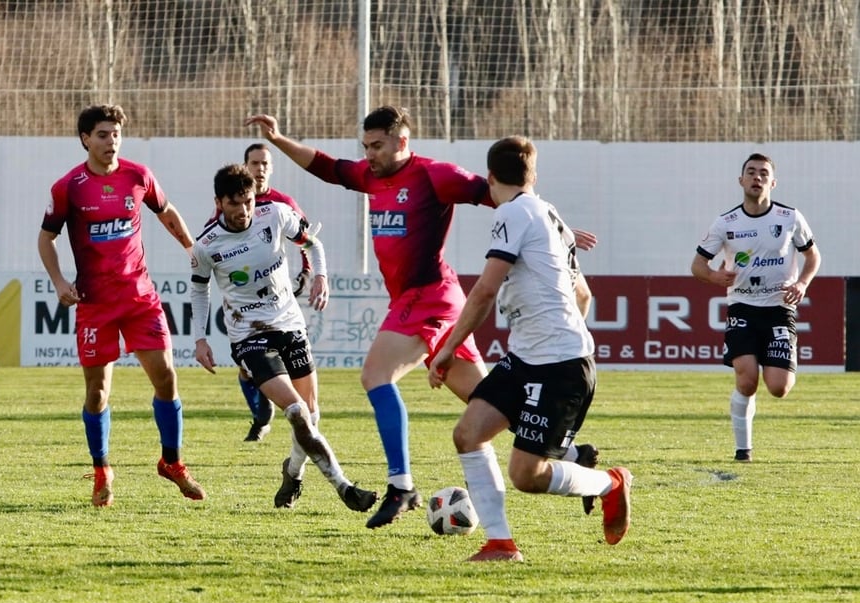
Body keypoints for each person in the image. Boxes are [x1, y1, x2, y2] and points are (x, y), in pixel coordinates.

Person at [245, 106, 599, 529]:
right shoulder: (372, 176)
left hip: (429, 295)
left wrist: (559, 228)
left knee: (375, 375)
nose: (370, 155)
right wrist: (280, 139)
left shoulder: (434, 174)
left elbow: (501, 192)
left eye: (377, 146)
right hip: (426, 300)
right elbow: (328, 168)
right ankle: (577, 458)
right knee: (484, 402)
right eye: (366, 147)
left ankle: (401, 486)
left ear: (402, 142)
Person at [428, 136, 632, 562]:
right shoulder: (549, 215)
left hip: (559, 366)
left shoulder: (513, 213)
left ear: (489, 178)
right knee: (468, 434)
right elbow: (583, 295)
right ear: (533, 176)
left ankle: (610, 483)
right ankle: (501, 544)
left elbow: (484, 291)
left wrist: (448, 350)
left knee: (528, 475)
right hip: (528, 359)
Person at [37, 104, 206, 507]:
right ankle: (102, 471)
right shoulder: (68, 187)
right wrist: (60, 281)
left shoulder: (138, 176)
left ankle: (172, 463)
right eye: (102, 135)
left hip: (139, 298)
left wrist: (190, 248)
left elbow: (166, 212)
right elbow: (46, 239)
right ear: (85, 139)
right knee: (97, 393)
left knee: (166, 379)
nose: (111, 142)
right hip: (94, 303)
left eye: (115, 134)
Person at [192, 164, 378, 513]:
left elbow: (313, 244)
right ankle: (344, 486)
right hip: (248, 335)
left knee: (311, 415)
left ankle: (292, 473)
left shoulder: (275, 215)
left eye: (247, 201)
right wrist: (200, 338)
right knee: (295, 410)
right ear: (218, 202)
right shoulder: (206, 244)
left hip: (290, 325)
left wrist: (320, 276)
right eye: (234, 203)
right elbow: (199, 290)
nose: (243, 210)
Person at [691, 153, 821, 463]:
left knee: (779, 388)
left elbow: (813, 257)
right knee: (747, 380)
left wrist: (802, 283)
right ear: (741, 180)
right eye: (751, 172)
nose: (756, 177)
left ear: (773, 182)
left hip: (778, 308)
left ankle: (782, 362)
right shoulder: (726, 222)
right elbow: (697, 265)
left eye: (763, 173)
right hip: (743, 307)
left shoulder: (789, 218)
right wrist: (713, 276)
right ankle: (742, 450)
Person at [207, 143, 318, 442]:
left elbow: (307, 240)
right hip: (246, 311)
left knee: (306, 402)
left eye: (265, 163)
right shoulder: (230, 206)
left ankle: (287, 429)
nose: (260, 169)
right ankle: (261, 413)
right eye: (255, 163)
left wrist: (308, 272)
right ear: (246, 167)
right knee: (249, 369)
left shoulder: (283, 203)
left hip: (281, 300)